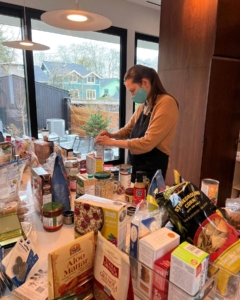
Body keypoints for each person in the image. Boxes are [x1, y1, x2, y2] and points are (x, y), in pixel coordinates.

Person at [95, 65, 179, 182]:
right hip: (134, 168)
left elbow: (148, 142)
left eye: (132, 90)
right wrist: (112, 135)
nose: (132, 96)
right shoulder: (144, 105)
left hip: (152, 171)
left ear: (144, 82)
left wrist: (112, 143)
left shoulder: (166, 103)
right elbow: (128, 130)